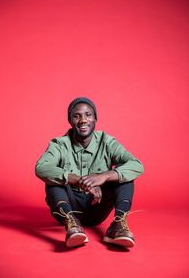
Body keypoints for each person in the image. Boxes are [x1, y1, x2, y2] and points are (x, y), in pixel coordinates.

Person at [35, 97, 144, 249]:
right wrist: (79, 180)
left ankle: (118, 225)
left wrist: (104, 177)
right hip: (68, 208)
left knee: (124, 176)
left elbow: (137, 165)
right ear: (70, 121)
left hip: (97, 207)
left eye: (88, 115)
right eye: (76, 115)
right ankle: (72, 226)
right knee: (54, 179)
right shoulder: (59, 144)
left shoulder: (107, 142)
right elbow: (41, 167)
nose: (83, 120)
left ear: (95, 118)